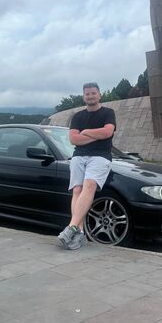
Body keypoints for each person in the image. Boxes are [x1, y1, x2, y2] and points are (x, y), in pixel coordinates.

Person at [57, 82, 116, 250]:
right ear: (84, 97)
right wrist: (97, 134)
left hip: (100, 156)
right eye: (87, 94)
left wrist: (86, 132)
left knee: (89, 185)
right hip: (79, 156)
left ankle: (71, 227)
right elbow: (73, 139)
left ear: (99, 95)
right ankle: (80, 233)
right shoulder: (77, 116)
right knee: (77, 190)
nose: (90, 96)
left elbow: (108, 132)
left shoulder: (108, 113)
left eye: (93, 93)